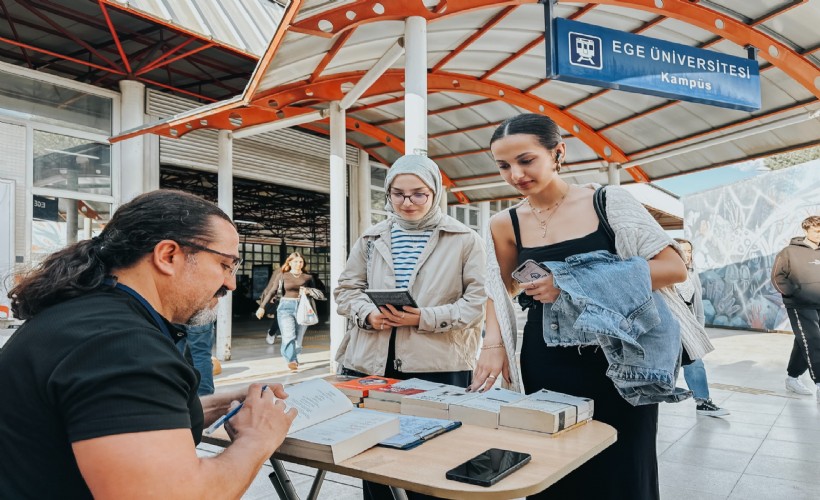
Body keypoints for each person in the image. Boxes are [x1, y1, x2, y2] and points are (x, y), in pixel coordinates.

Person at [470, 114, 711, 500]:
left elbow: (673, 268)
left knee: (624, 463)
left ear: (557, 153)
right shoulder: (505, 223)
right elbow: (499, 288)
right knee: (554, 462)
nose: (515, 174)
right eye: (503, 165)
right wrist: (493, 344)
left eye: (526, 160)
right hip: (547, 356)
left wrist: (566, 281)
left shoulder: (607, 201)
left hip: (624, 356)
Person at [0, 190, 297, 499]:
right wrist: (257, 439)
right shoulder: (122, 347)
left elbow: (108, 414)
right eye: (225, 265)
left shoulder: (87, 316)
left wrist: (219, 404)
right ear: (168, 255)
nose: (232, 284)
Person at [334, 154, 486, 500]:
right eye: (398, 194)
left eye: (419, 193)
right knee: (373, 456)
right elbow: (346, 290)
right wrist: (368, 316)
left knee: (432, 457)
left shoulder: (464, 239)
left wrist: (423, 318)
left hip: (437, 366)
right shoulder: (371, 238)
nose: (407, 202)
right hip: (370, 362)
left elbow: (476, 304)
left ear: (436, 193)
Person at [673, 238, 729, 417]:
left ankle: (703, 402)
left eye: (689, 251)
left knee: (695, 362)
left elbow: (697, 304)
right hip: (670, 327)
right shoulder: (666, 270)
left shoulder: (691, 272)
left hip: (688, 326)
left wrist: (699, 329)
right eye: (682, 251)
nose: (687, 255)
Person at [771, 215, 820, 400]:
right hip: (800, 304)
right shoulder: (789, 251)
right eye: (817, 230)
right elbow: (778, 276)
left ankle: (792, 378)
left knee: (804, 341)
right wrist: (793, 293)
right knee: (814, 341)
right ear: (806, 230)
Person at [256, 252, 323, 371]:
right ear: (290, 262)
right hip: (285, 307)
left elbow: (319, 293)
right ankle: (291, 360)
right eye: (296, 261)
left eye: (300, 261)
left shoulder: (308, 277)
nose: (298, 264)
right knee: (288, 336)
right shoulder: (283, 275)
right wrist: (262, 307)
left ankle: (294, 358)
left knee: (298, 339)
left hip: (302, 308)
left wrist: (308, 290)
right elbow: (272, 291)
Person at [176, 321, 217, 396]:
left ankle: (175, 392)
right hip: (199, 314)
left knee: (174, 352)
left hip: (174, 313)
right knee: (201, 354)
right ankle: (204, 395)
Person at [257, 267, 282, 345]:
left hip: (293, 299)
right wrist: (271, 298)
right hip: (278, 298)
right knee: (279, 318)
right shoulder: (280, 271)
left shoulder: (301, 273)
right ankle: (271, 333)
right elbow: (272, 285)